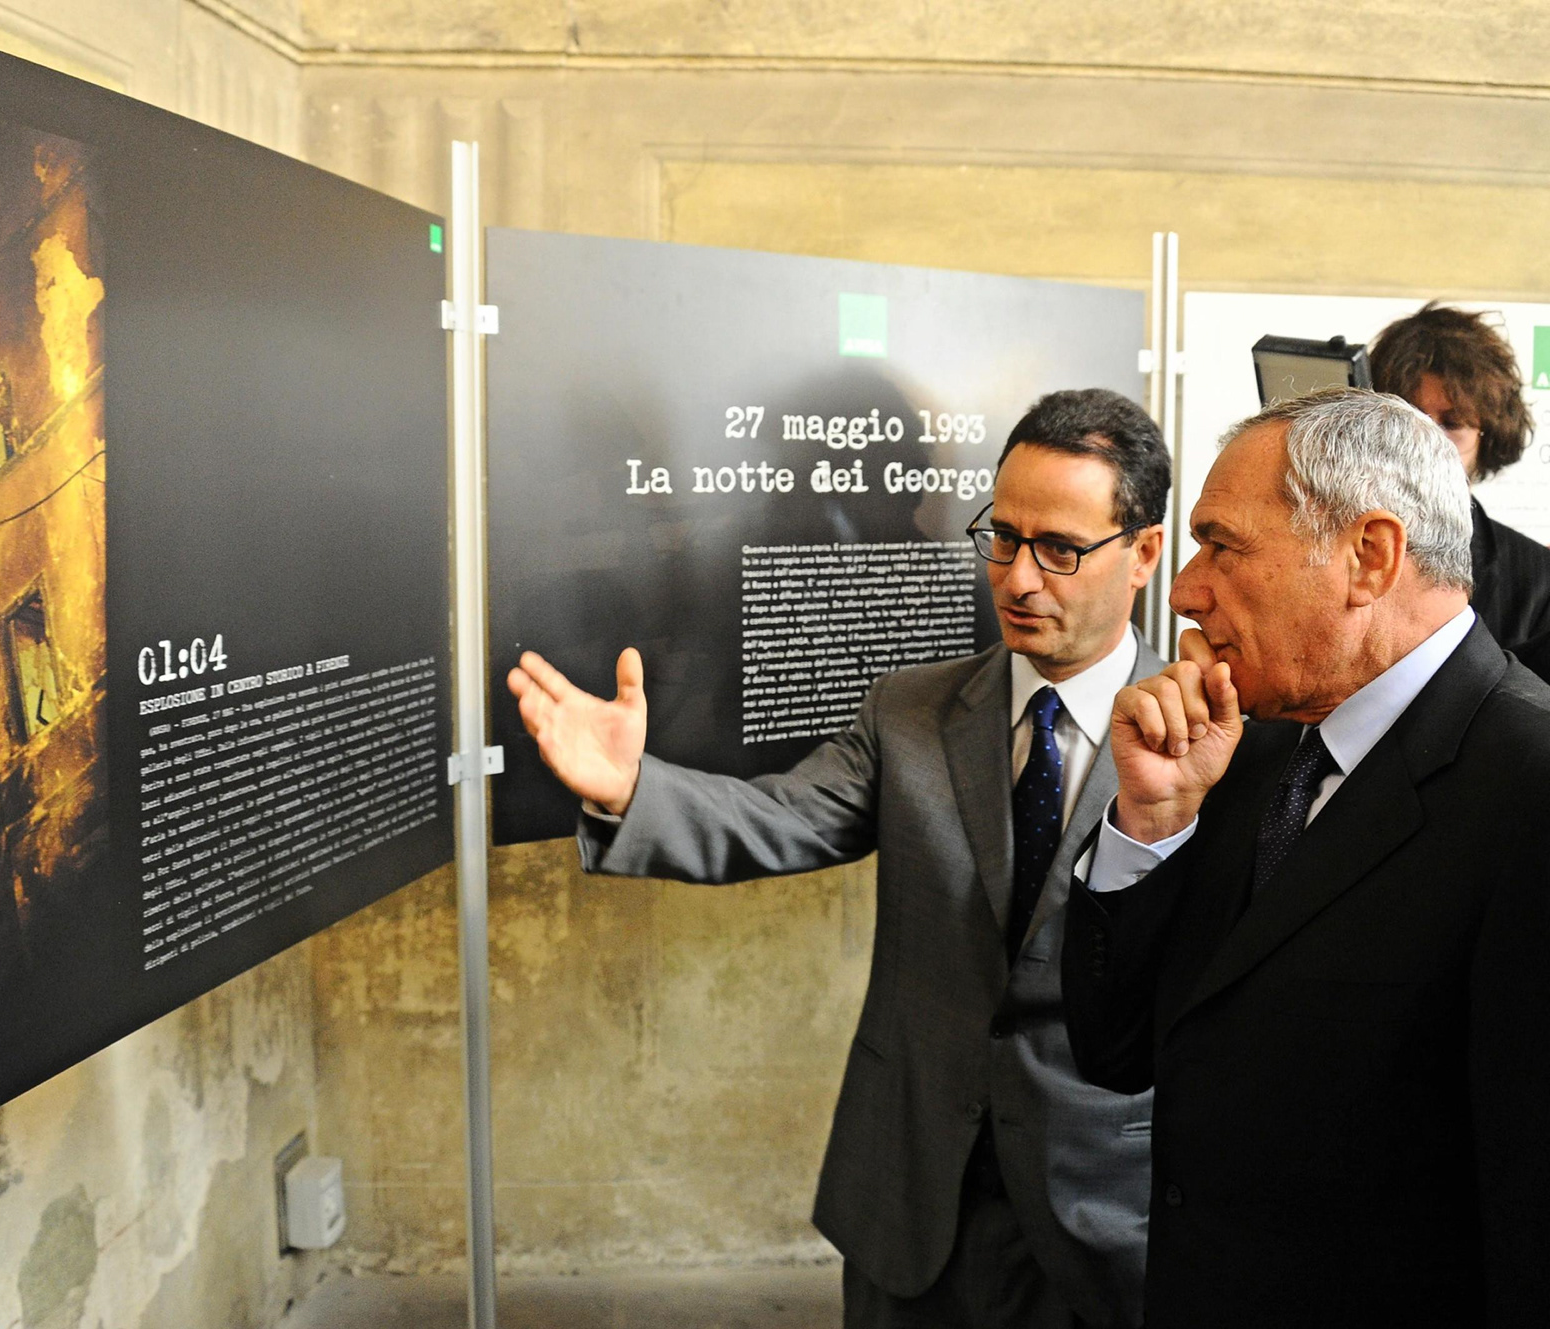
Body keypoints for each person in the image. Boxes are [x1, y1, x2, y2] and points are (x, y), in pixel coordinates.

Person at [509, 388, 1171, 1329]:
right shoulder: (911, 712)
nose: (1019, 578)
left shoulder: (1209, 739)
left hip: (1103, 1213)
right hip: (911, 1194)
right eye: (1003, 536)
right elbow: (779, 816)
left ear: (1142, 552)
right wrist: (631, 787)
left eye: (1061, 549)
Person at [1063, 388, 1550, 1327]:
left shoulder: (1527, 792)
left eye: (1223, 544)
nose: (1186, 589)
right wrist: (1151, 824)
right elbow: (1116, 1051)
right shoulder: (1253, 742)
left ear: (1369, 556)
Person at [1370, 301, 1550, 651]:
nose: (1427, 441)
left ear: (1490, 436)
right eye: (1408, 416)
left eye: (1452, 424)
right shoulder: (1317, 550)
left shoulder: (1538, 581)